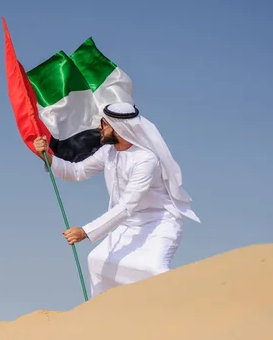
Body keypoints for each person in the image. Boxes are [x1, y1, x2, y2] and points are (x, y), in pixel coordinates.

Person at [33, 102, 200, 298]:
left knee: (153, 271)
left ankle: (182, 308)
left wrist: (86, 232)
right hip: (128, 225)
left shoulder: (146, 160)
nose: (99, 128)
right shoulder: (109, 152)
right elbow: (77, 171)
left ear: (119, 128)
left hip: (158, 224)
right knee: (96, 261)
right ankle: (106, 318)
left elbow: (127, 206)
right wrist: (47, 158)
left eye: (103, 124)